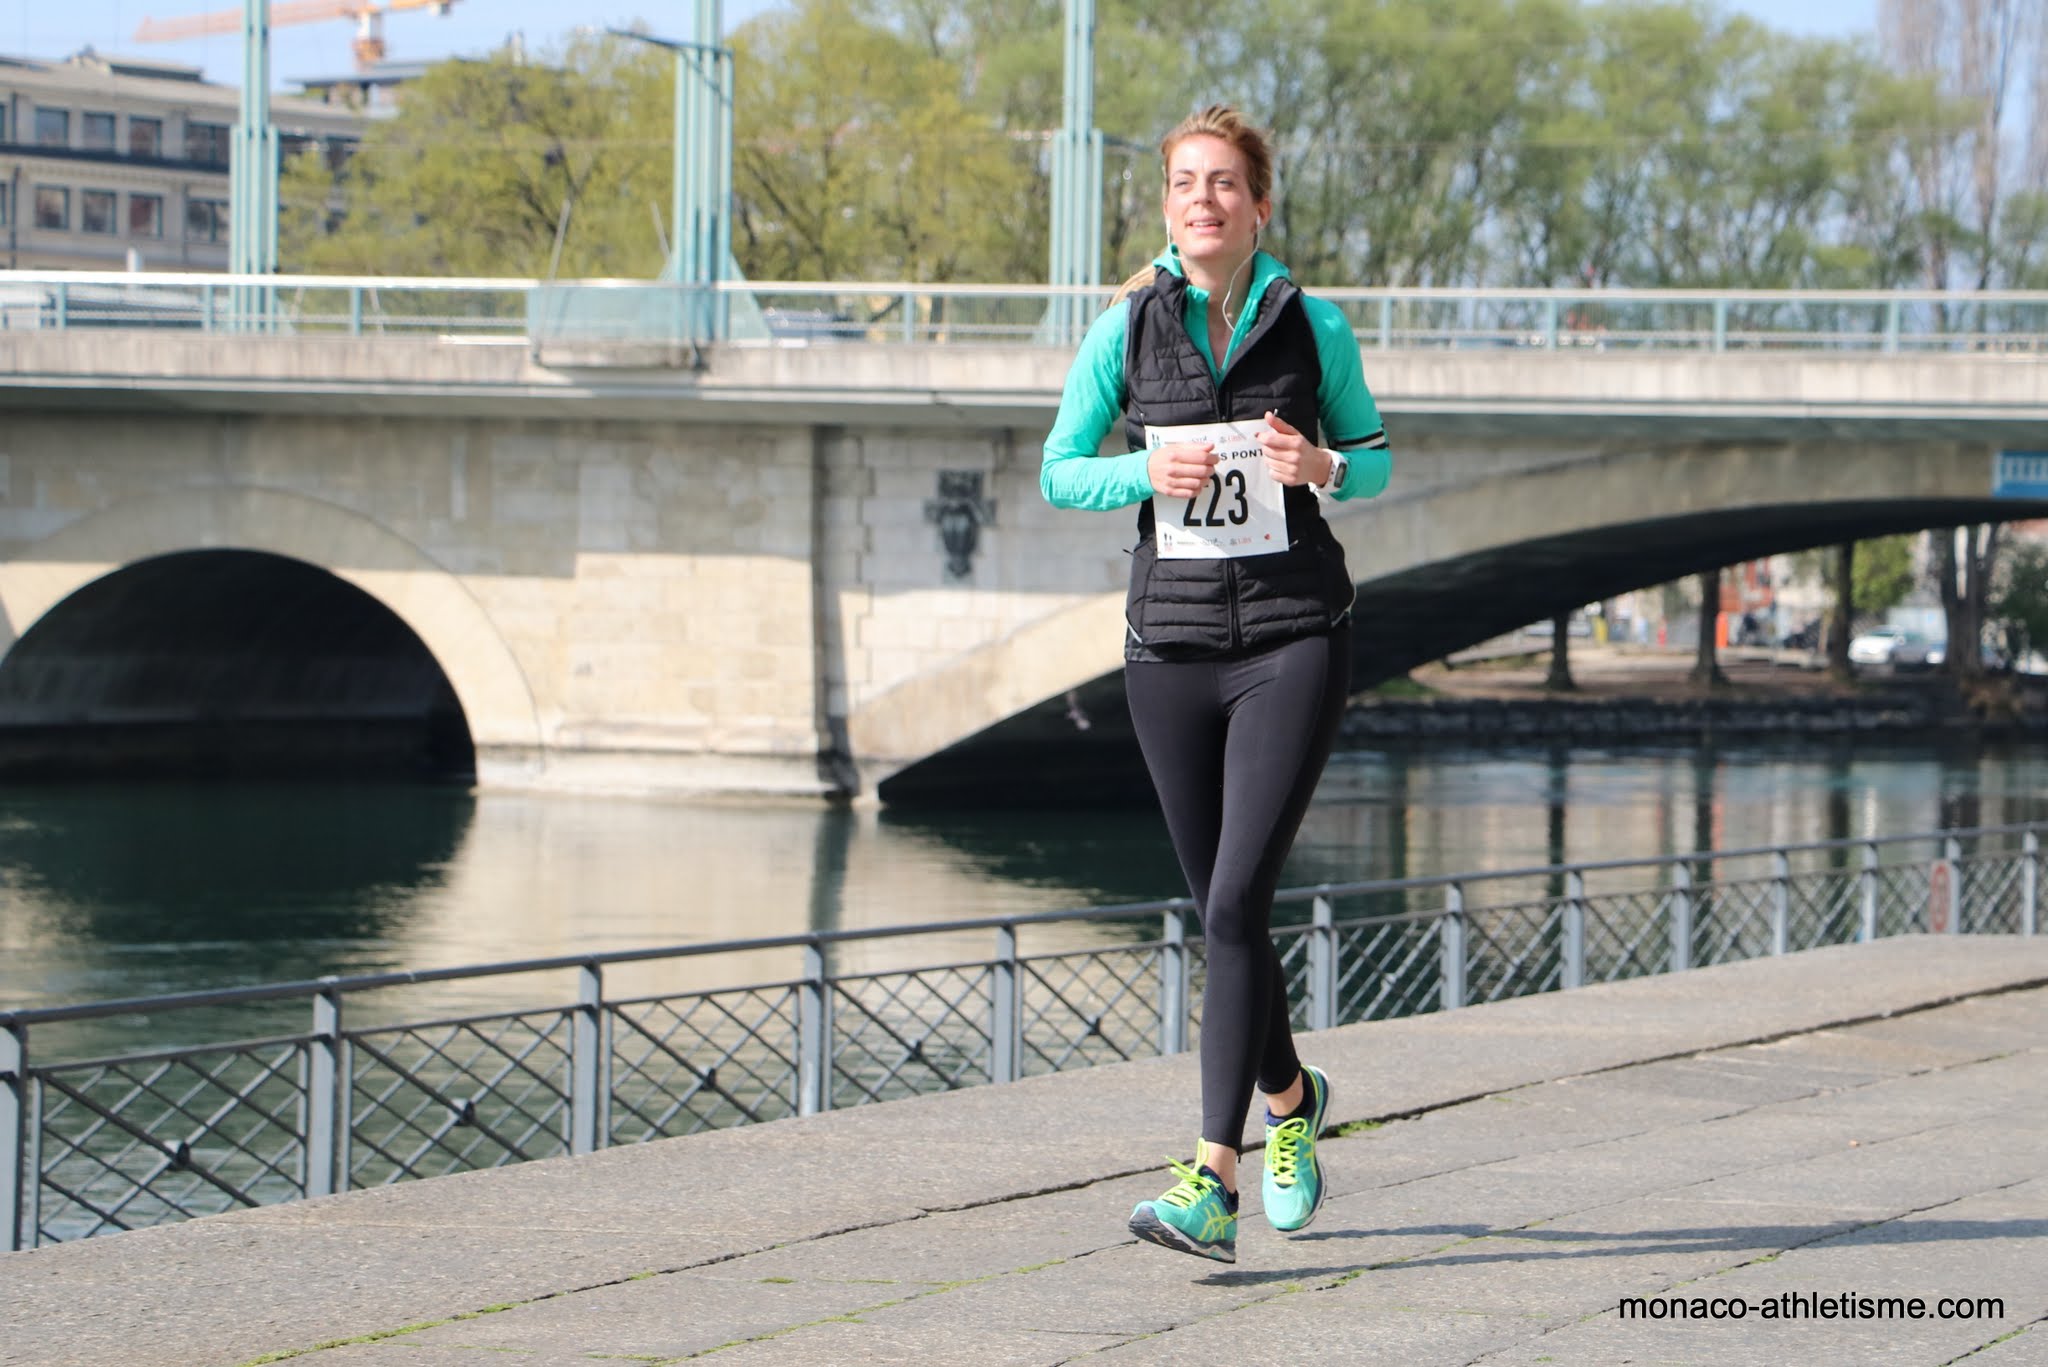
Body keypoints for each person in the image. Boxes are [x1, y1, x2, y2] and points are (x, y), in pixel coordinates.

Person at [1039, 105, 1393, 1263]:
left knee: (1238, 896)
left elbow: (1375, 460)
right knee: (1222, 911)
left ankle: (1211, 1177)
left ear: (1257, 204)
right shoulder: (1125, 328)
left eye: (1224, 182)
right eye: (1186, 182)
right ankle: (1292, 1100)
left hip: (1292, 637)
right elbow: (1058, 471)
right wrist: (1146, 468)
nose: (1204, 198)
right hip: (1169, 650)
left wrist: (1320, 463)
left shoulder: (1313, 324)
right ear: (1166, 206)